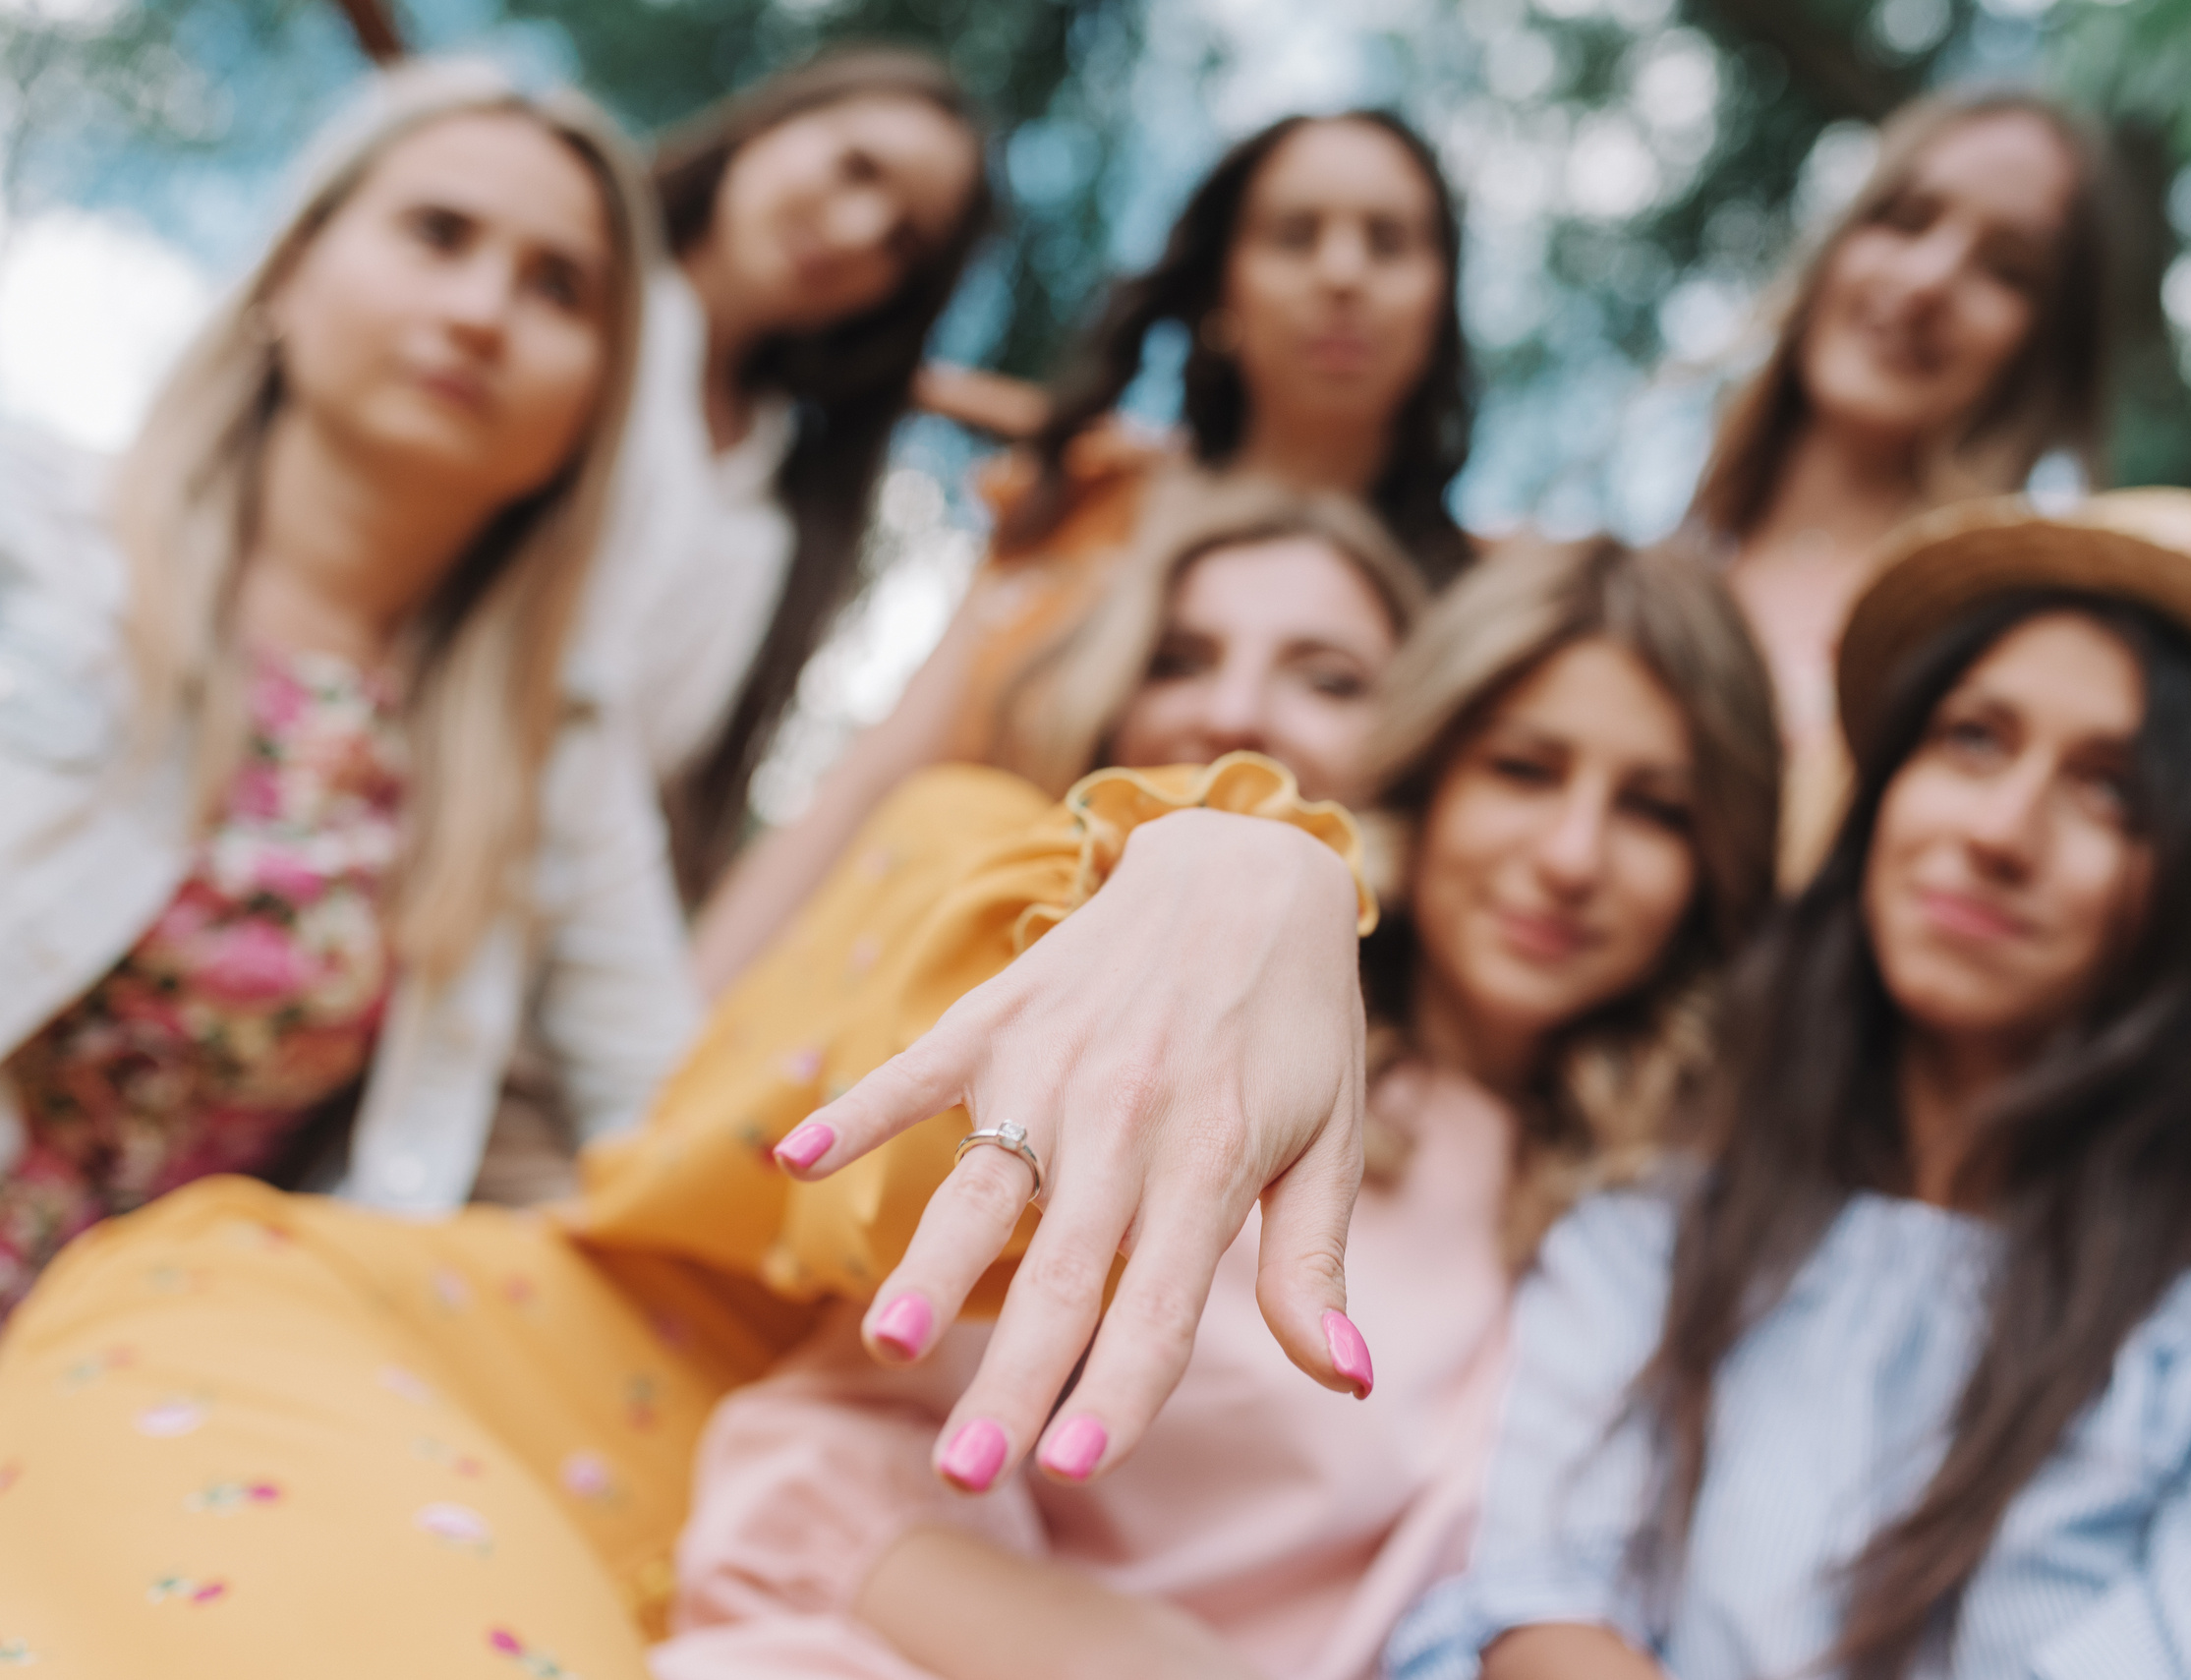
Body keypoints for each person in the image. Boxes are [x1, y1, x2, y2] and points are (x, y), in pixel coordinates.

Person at [0, 485, 1419, 1673]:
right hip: (390, 1358)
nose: (1234, 706)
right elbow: (882, 1138)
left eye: (1328, 674)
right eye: (1180, 654)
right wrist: (1236, 853)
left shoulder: (1475, 1171)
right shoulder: (980, 850)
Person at [1385, 490, 2191, 1680]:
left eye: (2115, 790)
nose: (1999, 829)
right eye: (1972, 738)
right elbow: (1540, 1608)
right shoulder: (1671, 1205)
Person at [648, 527, 1780, 1680]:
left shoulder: (1679, 1221)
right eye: (1523, 769)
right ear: (1428, 772)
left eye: (1655, 809)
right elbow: (806, 1485)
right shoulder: (1205, 1047)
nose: (1572, 853)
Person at [0, 62, 678, 1305]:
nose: (481, 311)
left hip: (145, 1387)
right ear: (292, 269)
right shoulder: (29, 533)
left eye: (558, 287)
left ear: (593, 407)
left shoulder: (552, 754)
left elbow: (663, 1113)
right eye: (437, 233)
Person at [692, 106, 1476, 992]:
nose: (1342, 273)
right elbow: (877, 778)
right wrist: (679, 1026)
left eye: (1388, 242)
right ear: (1222, 287)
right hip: (909, 993)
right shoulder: (1082, 500)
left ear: (1439, 294)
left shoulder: (1471, 604)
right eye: (1295, 236)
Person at [575, 46, 992, 901]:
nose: (854, 232)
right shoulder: (569, 318)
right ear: (768, 122)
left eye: (903, 241)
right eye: (855, 167)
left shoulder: (777, 505)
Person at [1685, 90, 2125, 880]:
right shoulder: (1631, 571)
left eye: (2008, 270)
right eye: (1906, 218)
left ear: (2047, 351)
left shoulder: (1999, 661)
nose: (1928, 280)